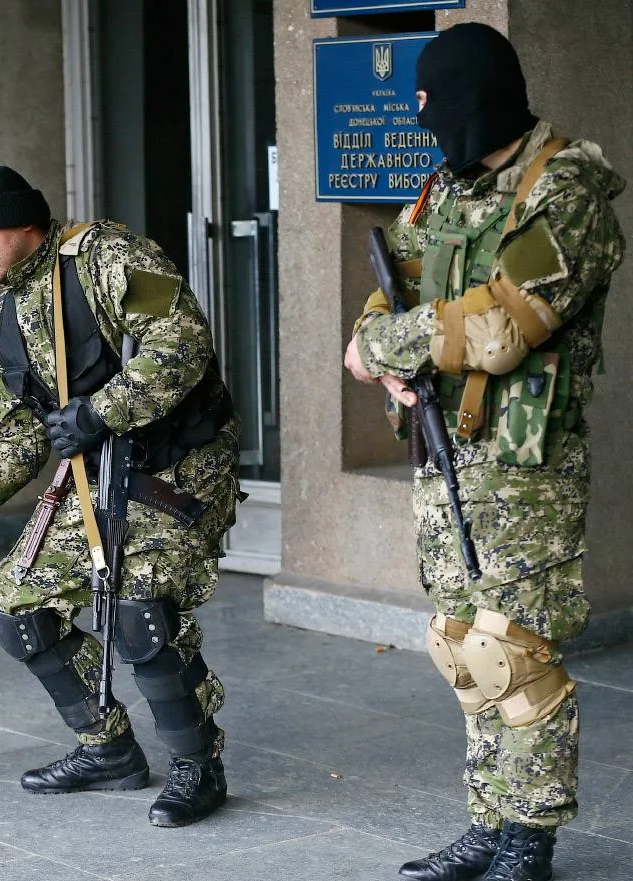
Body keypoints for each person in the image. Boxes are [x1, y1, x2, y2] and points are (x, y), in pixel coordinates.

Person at [343, 23, 625, 881]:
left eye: (433, 102)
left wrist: (381, 349)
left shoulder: (566, 187)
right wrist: (384, 350)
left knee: (516, 653)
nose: (425, 120)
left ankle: (528, 841)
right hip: (444, 455)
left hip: (524, 469)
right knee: (463, 645)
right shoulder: (444, 188)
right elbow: (385, 294)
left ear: (476, 98)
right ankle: (489, 820)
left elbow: (502, 329)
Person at [0, 165, 243, 827]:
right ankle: (107, 749)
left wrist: (102, 412)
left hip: (179, 469)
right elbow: (20, 436)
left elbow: (182, 340)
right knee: (17, 605)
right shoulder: (5, 322)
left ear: (23, 221)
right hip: (99, 475)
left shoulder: (105, 256)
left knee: (139, 610)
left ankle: (198, 765)